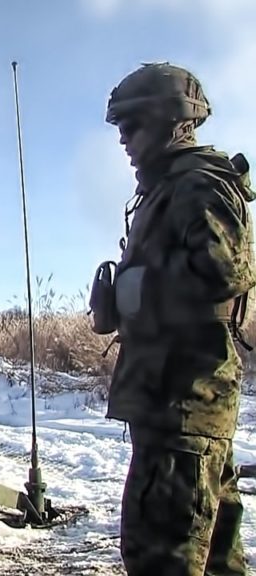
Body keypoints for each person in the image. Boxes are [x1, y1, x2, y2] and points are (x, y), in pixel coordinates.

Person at [97, 62, 253, 575]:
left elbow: (227, 271)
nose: (122, 138)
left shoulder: (197, 184)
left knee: (161, 555)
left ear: (171, 120)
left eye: (130, 125)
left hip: (184, 398)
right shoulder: (165, 188)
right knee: (215, 559)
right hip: (175, 397)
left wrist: (136, 289)